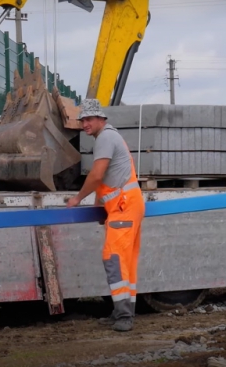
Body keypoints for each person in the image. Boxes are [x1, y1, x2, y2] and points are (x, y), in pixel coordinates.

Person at [66, 99, 146, 332]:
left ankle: (123, 317)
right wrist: (99, 207)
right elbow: (107, 182)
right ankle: (124, 311)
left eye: (89, 119)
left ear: (102, 119)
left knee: (114, 258)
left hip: (124, 207)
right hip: (126, 206)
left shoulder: (106, 138)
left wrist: (77, 198)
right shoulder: (109, 137)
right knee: (126, 261)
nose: (85, 124)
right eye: (83, 120)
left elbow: (97, 175)